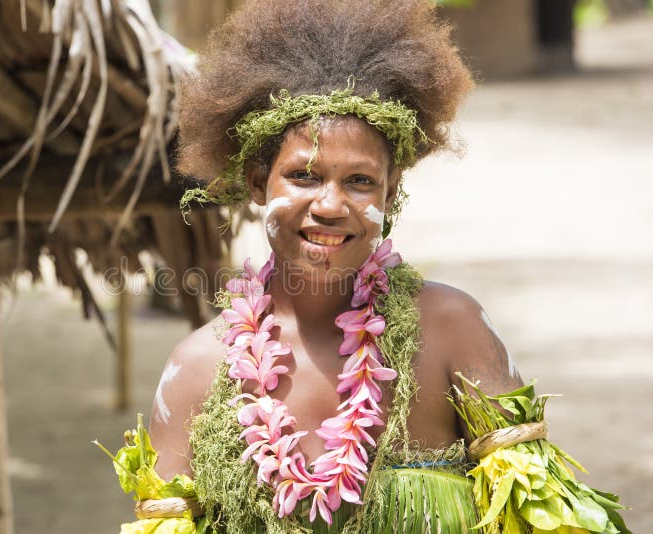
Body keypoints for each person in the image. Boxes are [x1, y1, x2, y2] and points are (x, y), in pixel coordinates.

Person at [121, 1, 629, 532]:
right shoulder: (198, 370)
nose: (330, 204)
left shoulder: (452, 329)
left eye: (360, 181)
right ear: (255, 183)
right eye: (304, 175)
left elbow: (542, 515)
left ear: (392, 193)